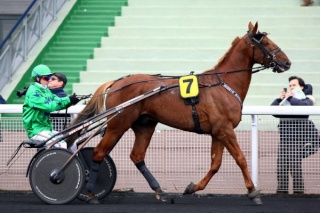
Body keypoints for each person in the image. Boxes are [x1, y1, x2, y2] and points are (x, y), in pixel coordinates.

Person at [271, 76, 319, 195]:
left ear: (301, 87)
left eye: (294, 85)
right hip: (284, 137)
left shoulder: (308, 98)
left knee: (294, 164)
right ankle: (282, 190)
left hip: (298, 137)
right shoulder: (287, 100)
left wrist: (290, 97)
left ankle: (298, 191)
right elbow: (273, 111)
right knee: (281, 164)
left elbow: (303, 107)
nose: (291, 87)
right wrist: (279, 99)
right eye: (290, 85)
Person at [22, 64, 80, 151]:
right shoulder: (33, 92)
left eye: (50, 77)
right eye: (46, 78)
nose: (49, 80)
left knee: (71, 141)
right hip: (36, 131)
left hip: (46, 129)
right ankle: (62, 164)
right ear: (38, 78)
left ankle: (76, 163)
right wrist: (68, 100)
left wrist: (70, 100)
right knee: (61, 144)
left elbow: (57, 99)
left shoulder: (46, 91)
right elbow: (49, 106)